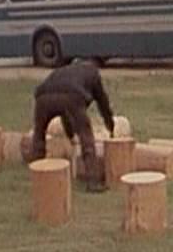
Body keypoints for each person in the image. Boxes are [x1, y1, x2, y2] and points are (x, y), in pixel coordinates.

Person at [29, 61, 116, 192]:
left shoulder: (65, 70)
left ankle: (37, 175)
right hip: (72, 96)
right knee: (86, 135)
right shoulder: (93, 73)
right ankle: (93, 181)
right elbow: (103, 103)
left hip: (42, 98)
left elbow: (65, 114)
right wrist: (111, 125)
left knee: (39, 135)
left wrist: (70, 135)